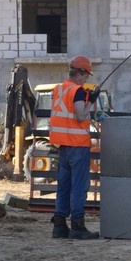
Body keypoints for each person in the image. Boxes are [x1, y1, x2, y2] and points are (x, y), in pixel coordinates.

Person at [49, 55, 100, 240]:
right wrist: (91, 101)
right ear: (81, 73)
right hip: (77, 146)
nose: (87, 79)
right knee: (79, 186)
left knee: (64, 186)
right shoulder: (78, 91)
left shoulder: (59, 89)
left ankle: (60, 226)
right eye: (87, 76)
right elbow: (80, 116)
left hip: (62, 146)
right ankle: (78, 226)